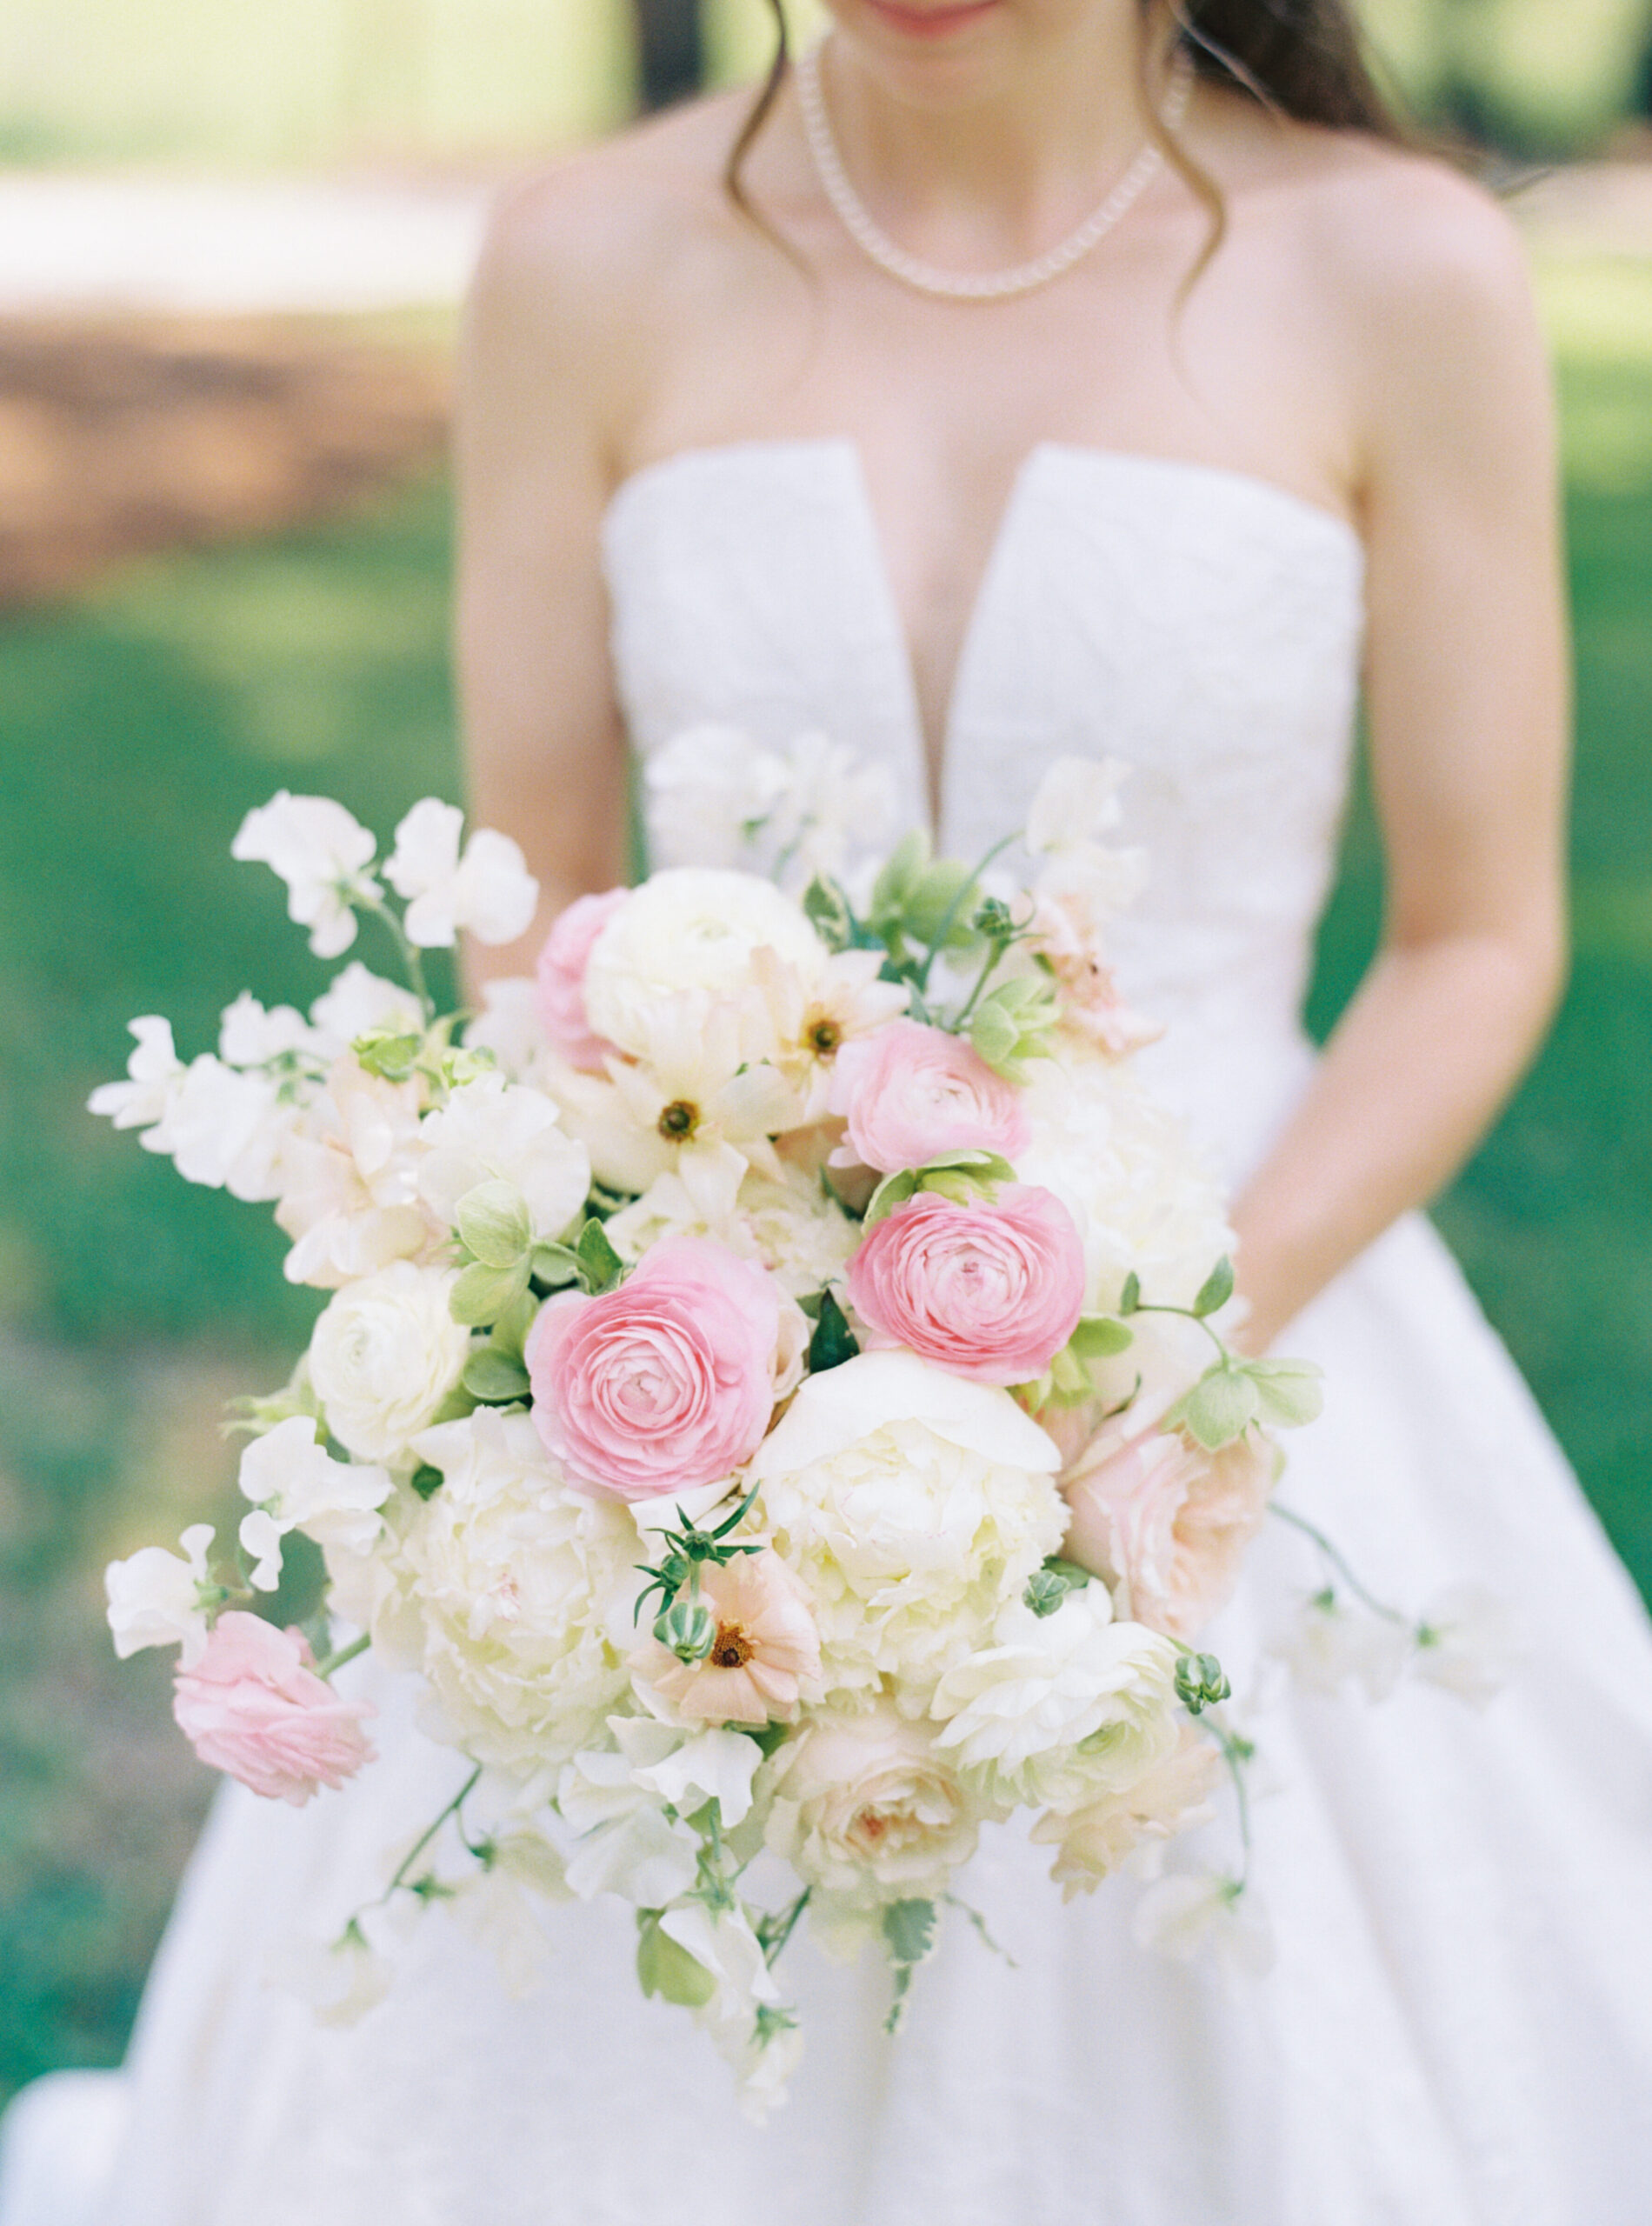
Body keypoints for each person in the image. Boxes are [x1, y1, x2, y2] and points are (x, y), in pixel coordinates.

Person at [6, 2, 1652, 2221]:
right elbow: (539, 888)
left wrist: (1154, 1365)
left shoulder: (1395, 269)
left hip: (1254, 1270)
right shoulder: (585, 255)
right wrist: (635, 1305)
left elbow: (1474, 935)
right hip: (689, 1324)